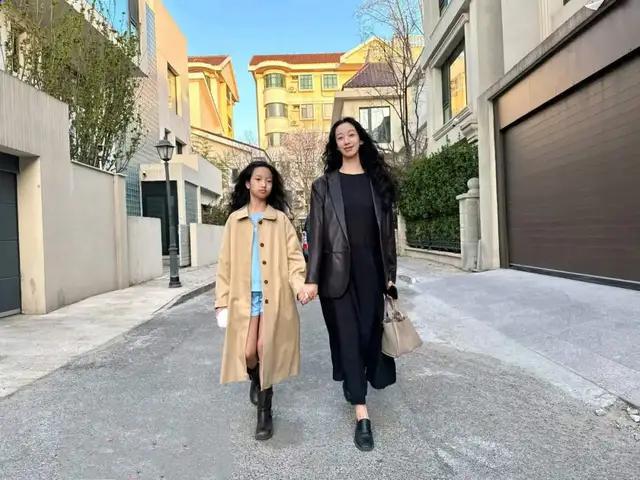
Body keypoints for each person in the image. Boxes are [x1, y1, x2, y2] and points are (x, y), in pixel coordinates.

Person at [300, 117, 398, 452]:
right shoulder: (323, 186)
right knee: (349, 337)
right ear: (335, 145)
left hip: (371, 272)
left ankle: (353, 379)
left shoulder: (377, 182)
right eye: (339, 137)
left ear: (361, 139)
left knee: (368, 335)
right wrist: (312, 279)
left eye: (351, 134)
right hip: (336, 274)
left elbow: (388, 235)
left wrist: (390, 274)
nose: (346, 140)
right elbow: (315, 234)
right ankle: (361, 413)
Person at [215, 160, 309, 441]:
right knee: (247, 353)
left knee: (264, 349)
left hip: (274, 296)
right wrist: (221, 301)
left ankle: (265, 413)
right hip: (244, 298)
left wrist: (299, 287)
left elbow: (295, 260)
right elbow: (224, 264)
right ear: (247, 183)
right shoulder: (234, 221)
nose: (263, 184)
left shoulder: (280, 220)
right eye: (258, 179)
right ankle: (256, 380)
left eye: (268, 180)